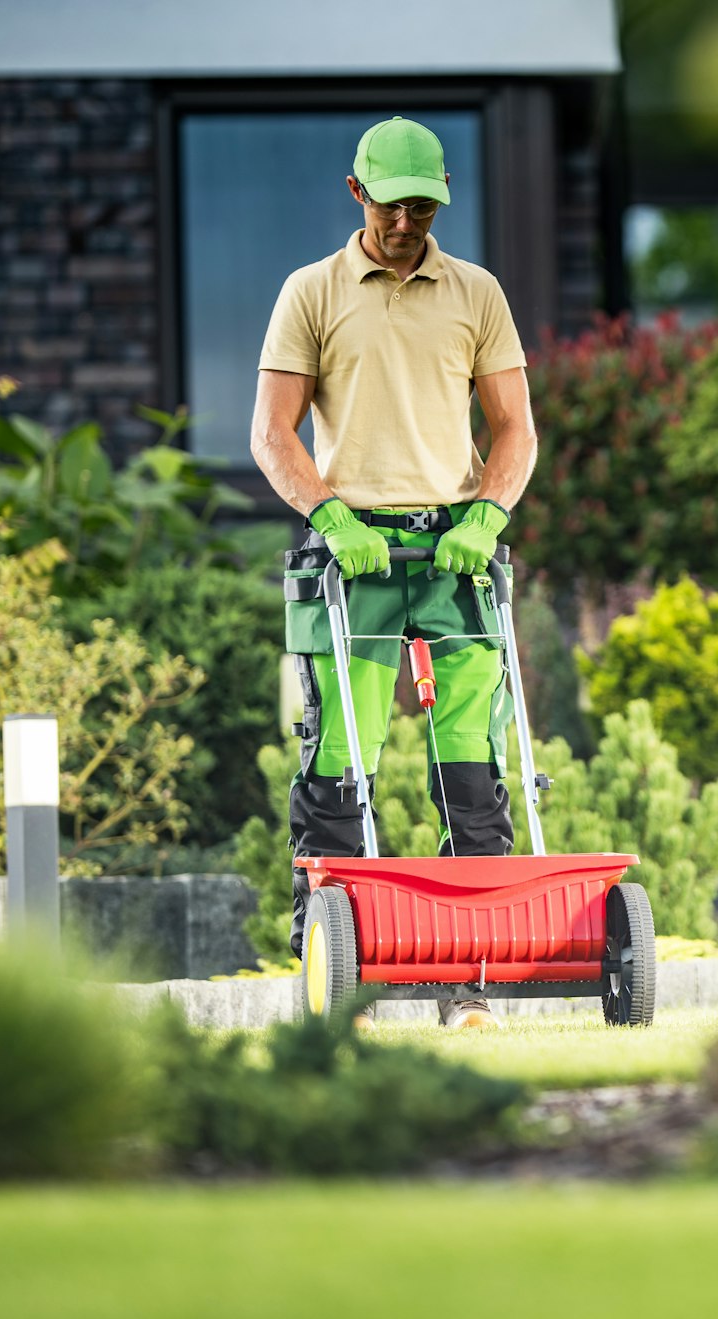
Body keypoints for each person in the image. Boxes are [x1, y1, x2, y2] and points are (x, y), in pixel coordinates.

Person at [250, 115, 538, 1030]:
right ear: (356, 193)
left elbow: (516, 429)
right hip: (353, 562)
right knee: (342, 761)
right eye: (392, 204)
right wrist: (329, 513)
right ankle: (344, 981)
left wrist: (488, 510)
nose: (408, 222)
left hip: (455, 553)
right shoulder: (312, 291)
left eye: (424, 205)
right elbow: (270, 433)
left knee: (472, 757)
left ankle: (473, 984)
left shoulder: (477, 293)